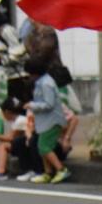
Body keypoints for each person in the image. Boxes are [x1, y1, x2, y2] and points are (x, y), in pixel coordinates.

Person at [24, 56, 71, 184]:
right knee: (42, 147)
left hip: (52, 121)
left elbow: (49, 104)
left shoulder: (46, 84)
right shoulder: (43, 82)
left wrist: (32, 105)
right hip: (46, 121)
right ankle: (48, 172)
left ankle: (61, 169)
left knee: (44, 147)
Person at [0, 97, 27, 180]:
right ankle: (1, 169)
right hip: (19, 144)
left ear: (7, 112)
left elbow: (11, 138)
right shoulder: (13, 120)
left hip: (24, 145)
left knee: (3, 146)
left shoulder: (20, 120)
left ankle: (1, 172)